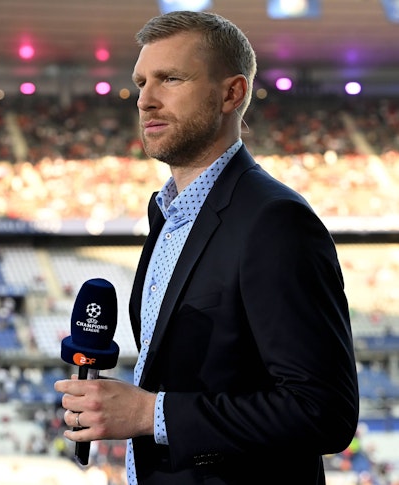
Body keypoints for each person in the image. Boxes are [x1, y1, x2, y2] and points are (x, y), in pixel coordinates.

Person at [54, 10, 358, 484]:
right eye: (140, 83)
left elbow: (323, 411)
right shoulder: (168, 215)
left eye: (170, 79)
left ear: (231, 94)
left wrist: (151, 414)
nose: (145, 100)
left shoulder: (275, 220)